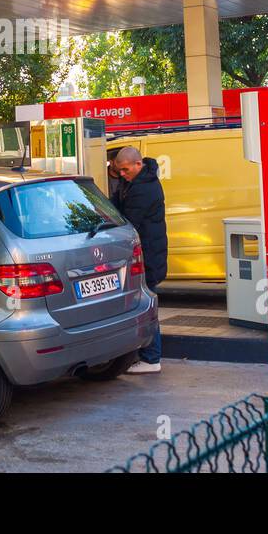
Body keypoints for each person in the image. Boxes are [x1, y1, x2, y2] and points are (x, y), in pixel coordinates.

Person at [111, 146, 167, 374]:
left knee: (146, 306)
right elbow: (114, 204)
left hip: (147, 257)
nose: (122, 174)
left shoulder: (145, 188)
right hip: (145, 255)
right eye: (119, 171)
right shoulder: (133, 182)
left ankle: (152, 358)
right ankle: (146, 355)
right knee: (142, 304)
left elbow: (128, 220)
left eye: (125, 170)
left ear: (137, 164)